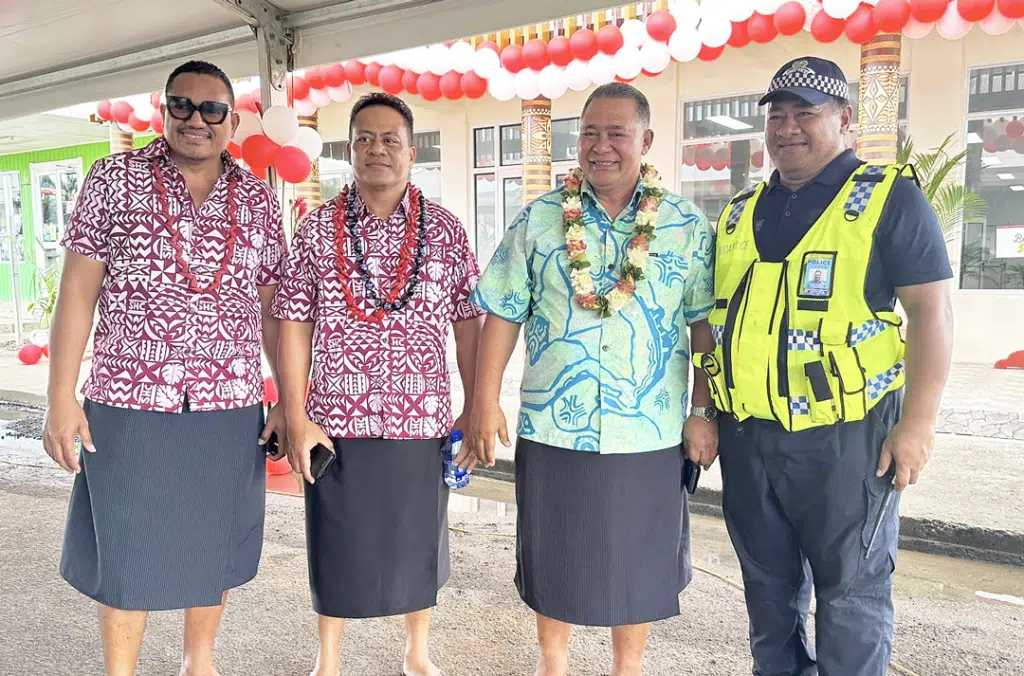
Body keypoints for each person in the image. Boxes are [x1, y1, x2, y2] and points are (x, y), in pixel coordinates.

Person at [693, 57, 954, 676]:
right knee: (768, 595)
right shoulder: (737, 214)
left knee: (851, 596)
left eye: (805, 113)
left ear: (845, 119)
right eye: (777, 116)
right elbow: (710, 324)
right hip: (748, 435)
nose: (787, 128)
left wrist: (917, 425)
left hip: (850, 437)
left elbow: (933, 314)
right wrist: (701, 410)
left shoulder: (890, 200)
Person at [465, 82, 718, 676]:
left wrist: (702, 412)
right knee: (555, 552)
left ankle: (626, 670)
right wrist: (483, 400)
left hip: (649, 429)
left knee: (639, 562)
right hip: (555, 424)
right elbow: (503, 309)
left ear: (646, 140)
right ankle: (552, 665)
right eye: (589, 133)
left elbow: (704, 327)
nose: (600, 146)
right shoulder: (539, 219)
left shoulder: (684, 223)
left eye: (616, 133)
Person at [44, 60, 285, 676]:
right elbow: (77, 292)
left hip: (227, 403)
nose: (195, 120)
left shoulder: (257, 198)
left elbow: (270, 307)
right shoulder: (113, 179)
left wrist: (287, 397)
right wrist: (60, 397)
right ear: (163, 110)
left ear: (232, 121)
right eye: (182, 105)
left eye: (211, 110)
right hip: (127, 400)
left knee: (213, 547)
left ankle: (196, 664)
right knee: (128, 551)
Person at [271, 92, 485, 676]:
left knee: (419, 540)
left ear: (412, 152)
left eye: (390, 139)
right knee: (336, 541)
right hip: (334, 417)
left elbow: (469, 322)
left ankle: (416, 652)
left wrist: (474, 402)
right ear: (349, 151)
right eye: (364, 138)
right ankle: (329, 657)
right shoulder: (317, 228)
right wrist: (295, 412)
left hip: (421, 415)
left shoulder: (444, 229)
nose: (377, 150)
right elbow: (292, 322)